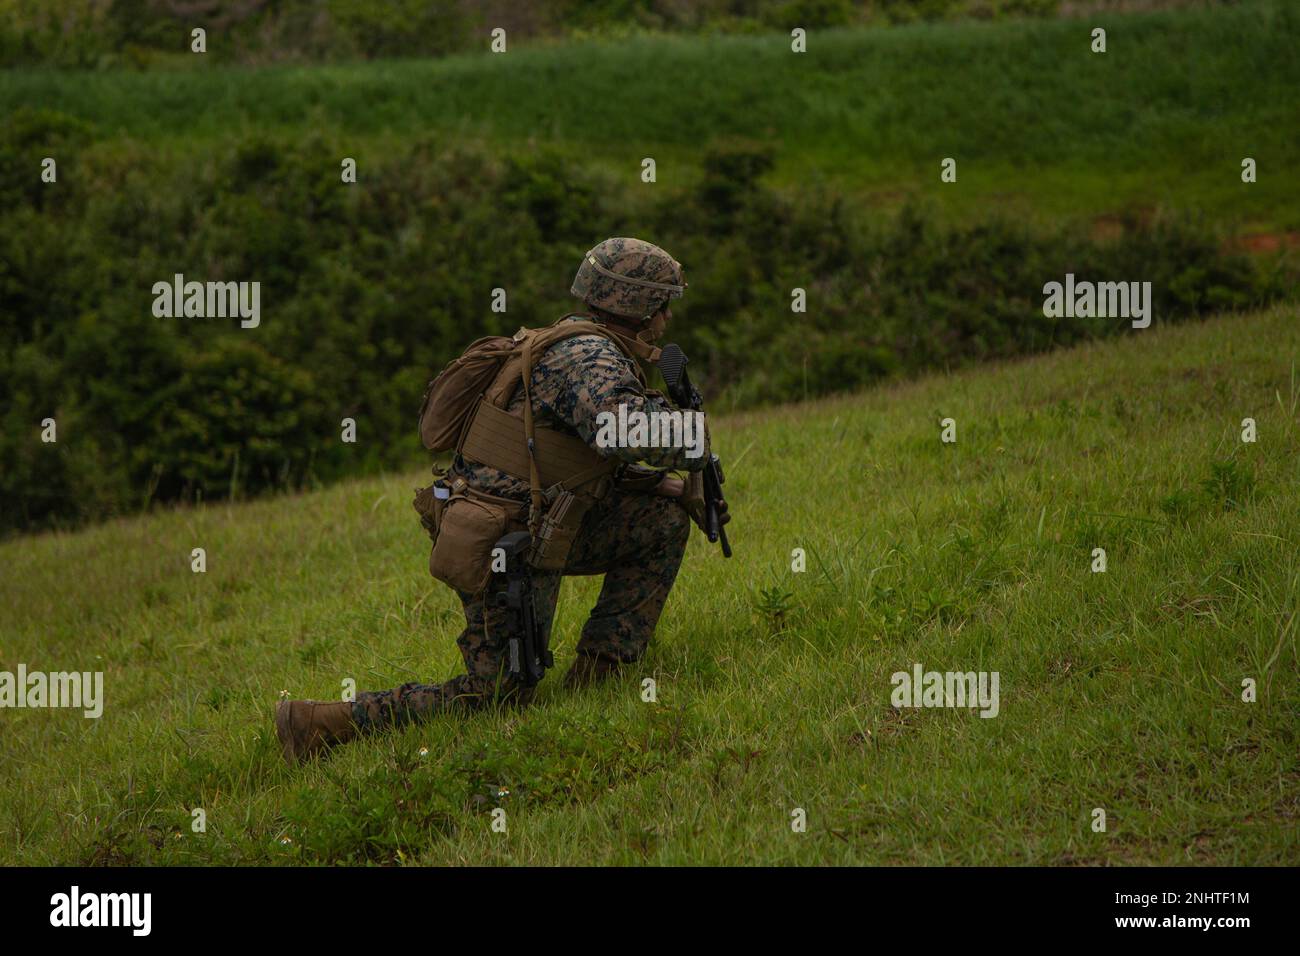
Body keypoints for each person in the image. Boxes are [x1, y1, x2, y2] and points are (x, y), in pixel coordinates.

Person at [276, 238, 726, 765]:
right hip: (501, 543)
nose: (668, 317)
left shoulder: (583, 345)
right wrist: (695, 438)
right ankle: (318, 723)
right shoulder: (589, 357)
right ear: (640, 306)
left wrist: (665, 487)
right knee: (497, 695)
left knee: (662, 519)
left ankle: (600, 678)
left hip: (534, 526)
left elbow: (575, 461)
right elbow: (621, 432)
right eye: (663, 304)